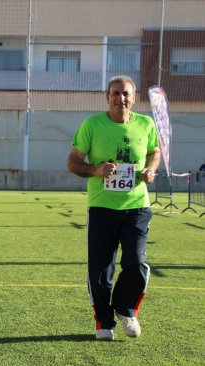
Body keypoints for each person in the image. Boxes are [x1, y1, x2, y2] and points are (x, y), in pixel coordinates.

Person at [67, 75, 161, 341]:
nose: (121, 98)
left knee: (136, 262)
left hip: (137, 207)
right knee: (101, 269)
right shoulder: (92, 125)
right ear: (107, 97)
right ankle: (104, 322)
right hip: (101, 207)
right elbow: (73, 162)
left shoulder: (146, 124)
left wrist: (151, 171)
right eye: (116, 93)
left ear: (134, 97)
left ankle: (125, 308)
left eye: (126, 94)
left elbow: (154, 152)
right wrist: (97, 169)